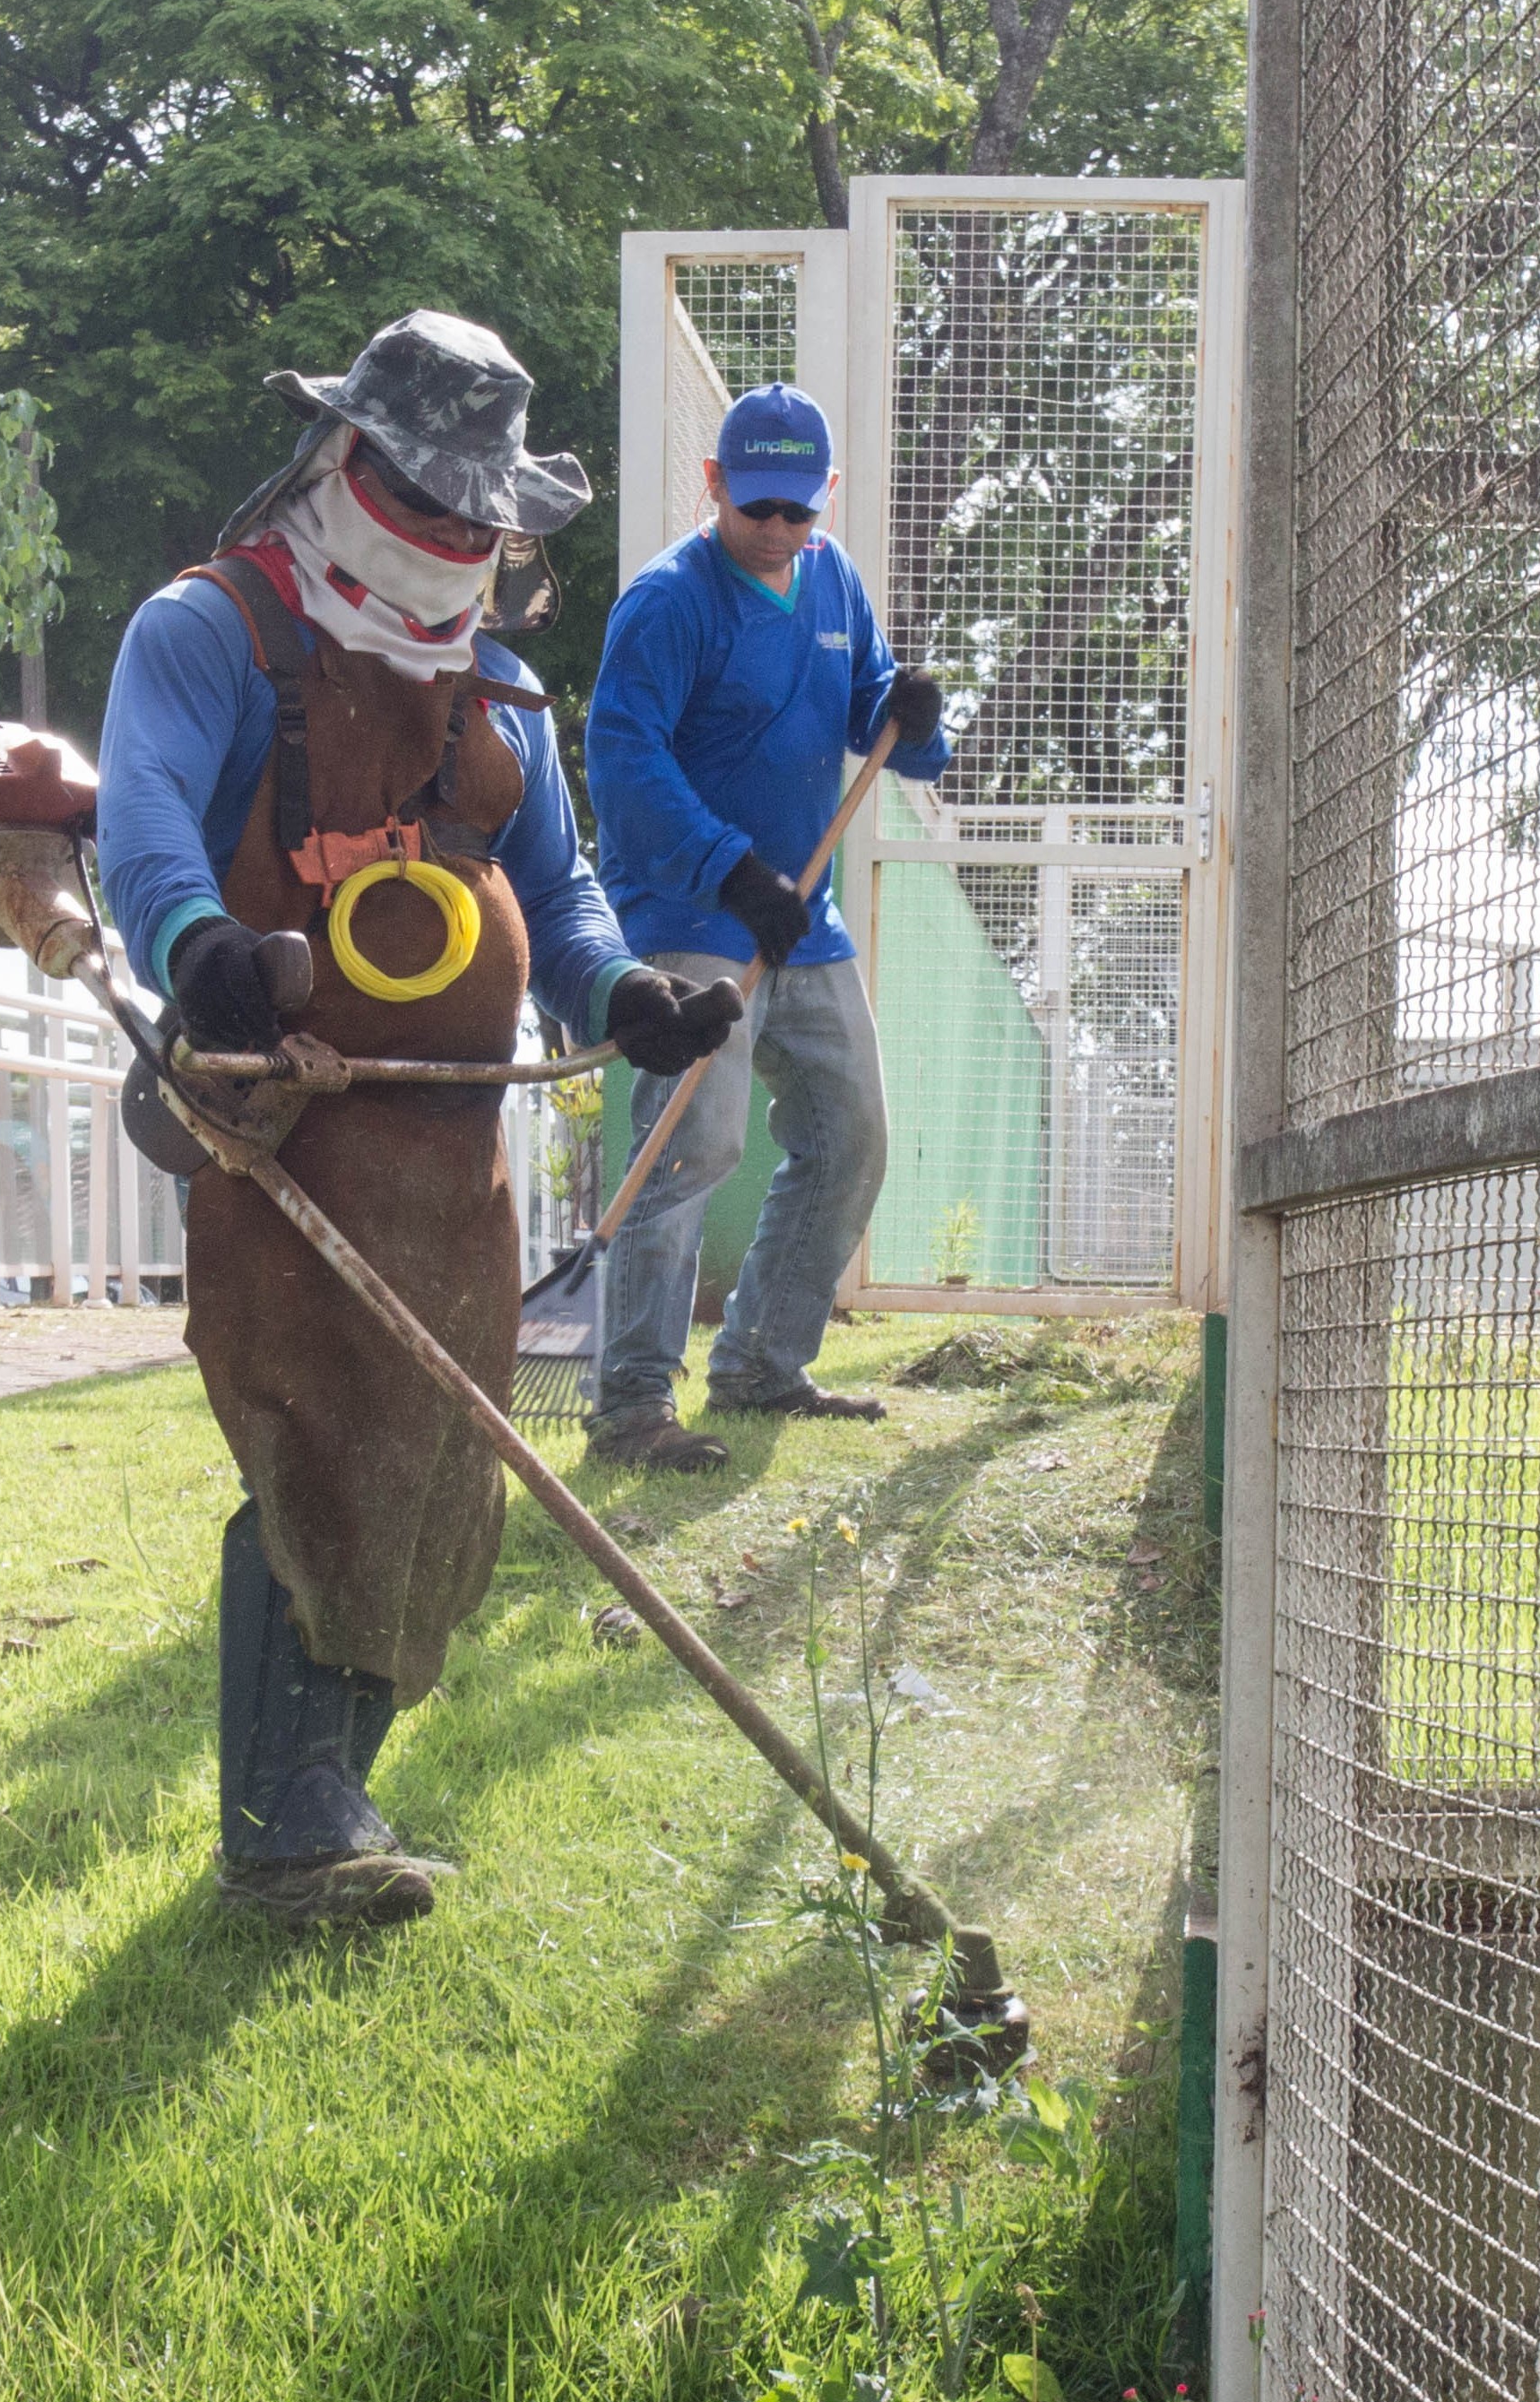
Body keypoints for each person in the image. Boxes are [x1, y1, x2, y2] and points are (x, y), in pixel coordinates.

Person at [98, 310, 741, 1929]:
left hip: (453, 1161)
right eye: (434, 503)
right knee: (320, 1431)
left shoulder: (502, 702)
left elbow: (562, 891)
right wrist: (200, 952)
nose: (460, 538)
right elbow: (144, 812)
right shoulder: (208, 635)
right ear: (342, 461)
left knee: (449, 1462)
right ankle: (286, 1830)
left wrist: (620, 999)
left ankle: (331, 1785)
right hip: (276, 1118)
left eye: (484, 518)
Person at [580, 383, 950, 1473]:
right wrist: (731, 875)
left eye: (799, 509)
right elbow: (624, 763)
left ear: (824, 497)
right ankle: (631, 1405)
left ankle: (759, 1365)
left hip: (805, 918)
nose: (779, 530)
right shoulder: (665, 603)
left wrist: (913, 715)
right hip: (698, 912)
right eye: (757, 510)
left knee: (850, 1135)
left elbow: (873, 710)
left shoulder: (832, 579)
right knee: (693, 1145)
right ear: (714, 487)